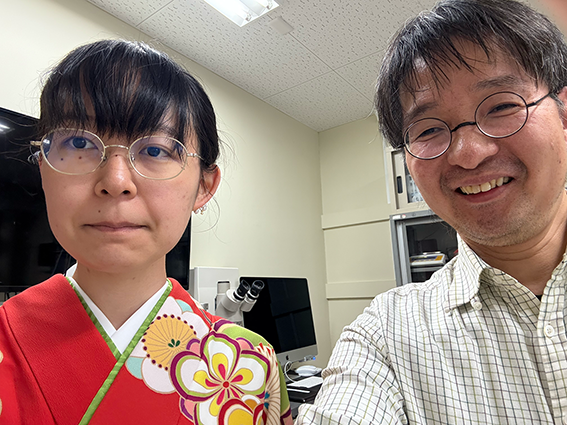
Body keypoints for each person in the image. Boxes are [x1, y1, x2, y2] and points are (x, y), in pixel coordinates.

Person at [297, 0, 567, 423]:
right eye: (428, 130)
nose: (469, 153)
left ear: (564, 114)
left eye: (500, 106)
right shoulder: (384, 335)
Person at [0, 39, 292, 424]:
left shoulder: (251, 367)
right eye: (79, 142)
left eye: (155, 150)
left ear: (204, 186)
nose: (116, 181)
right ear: (43, 167)